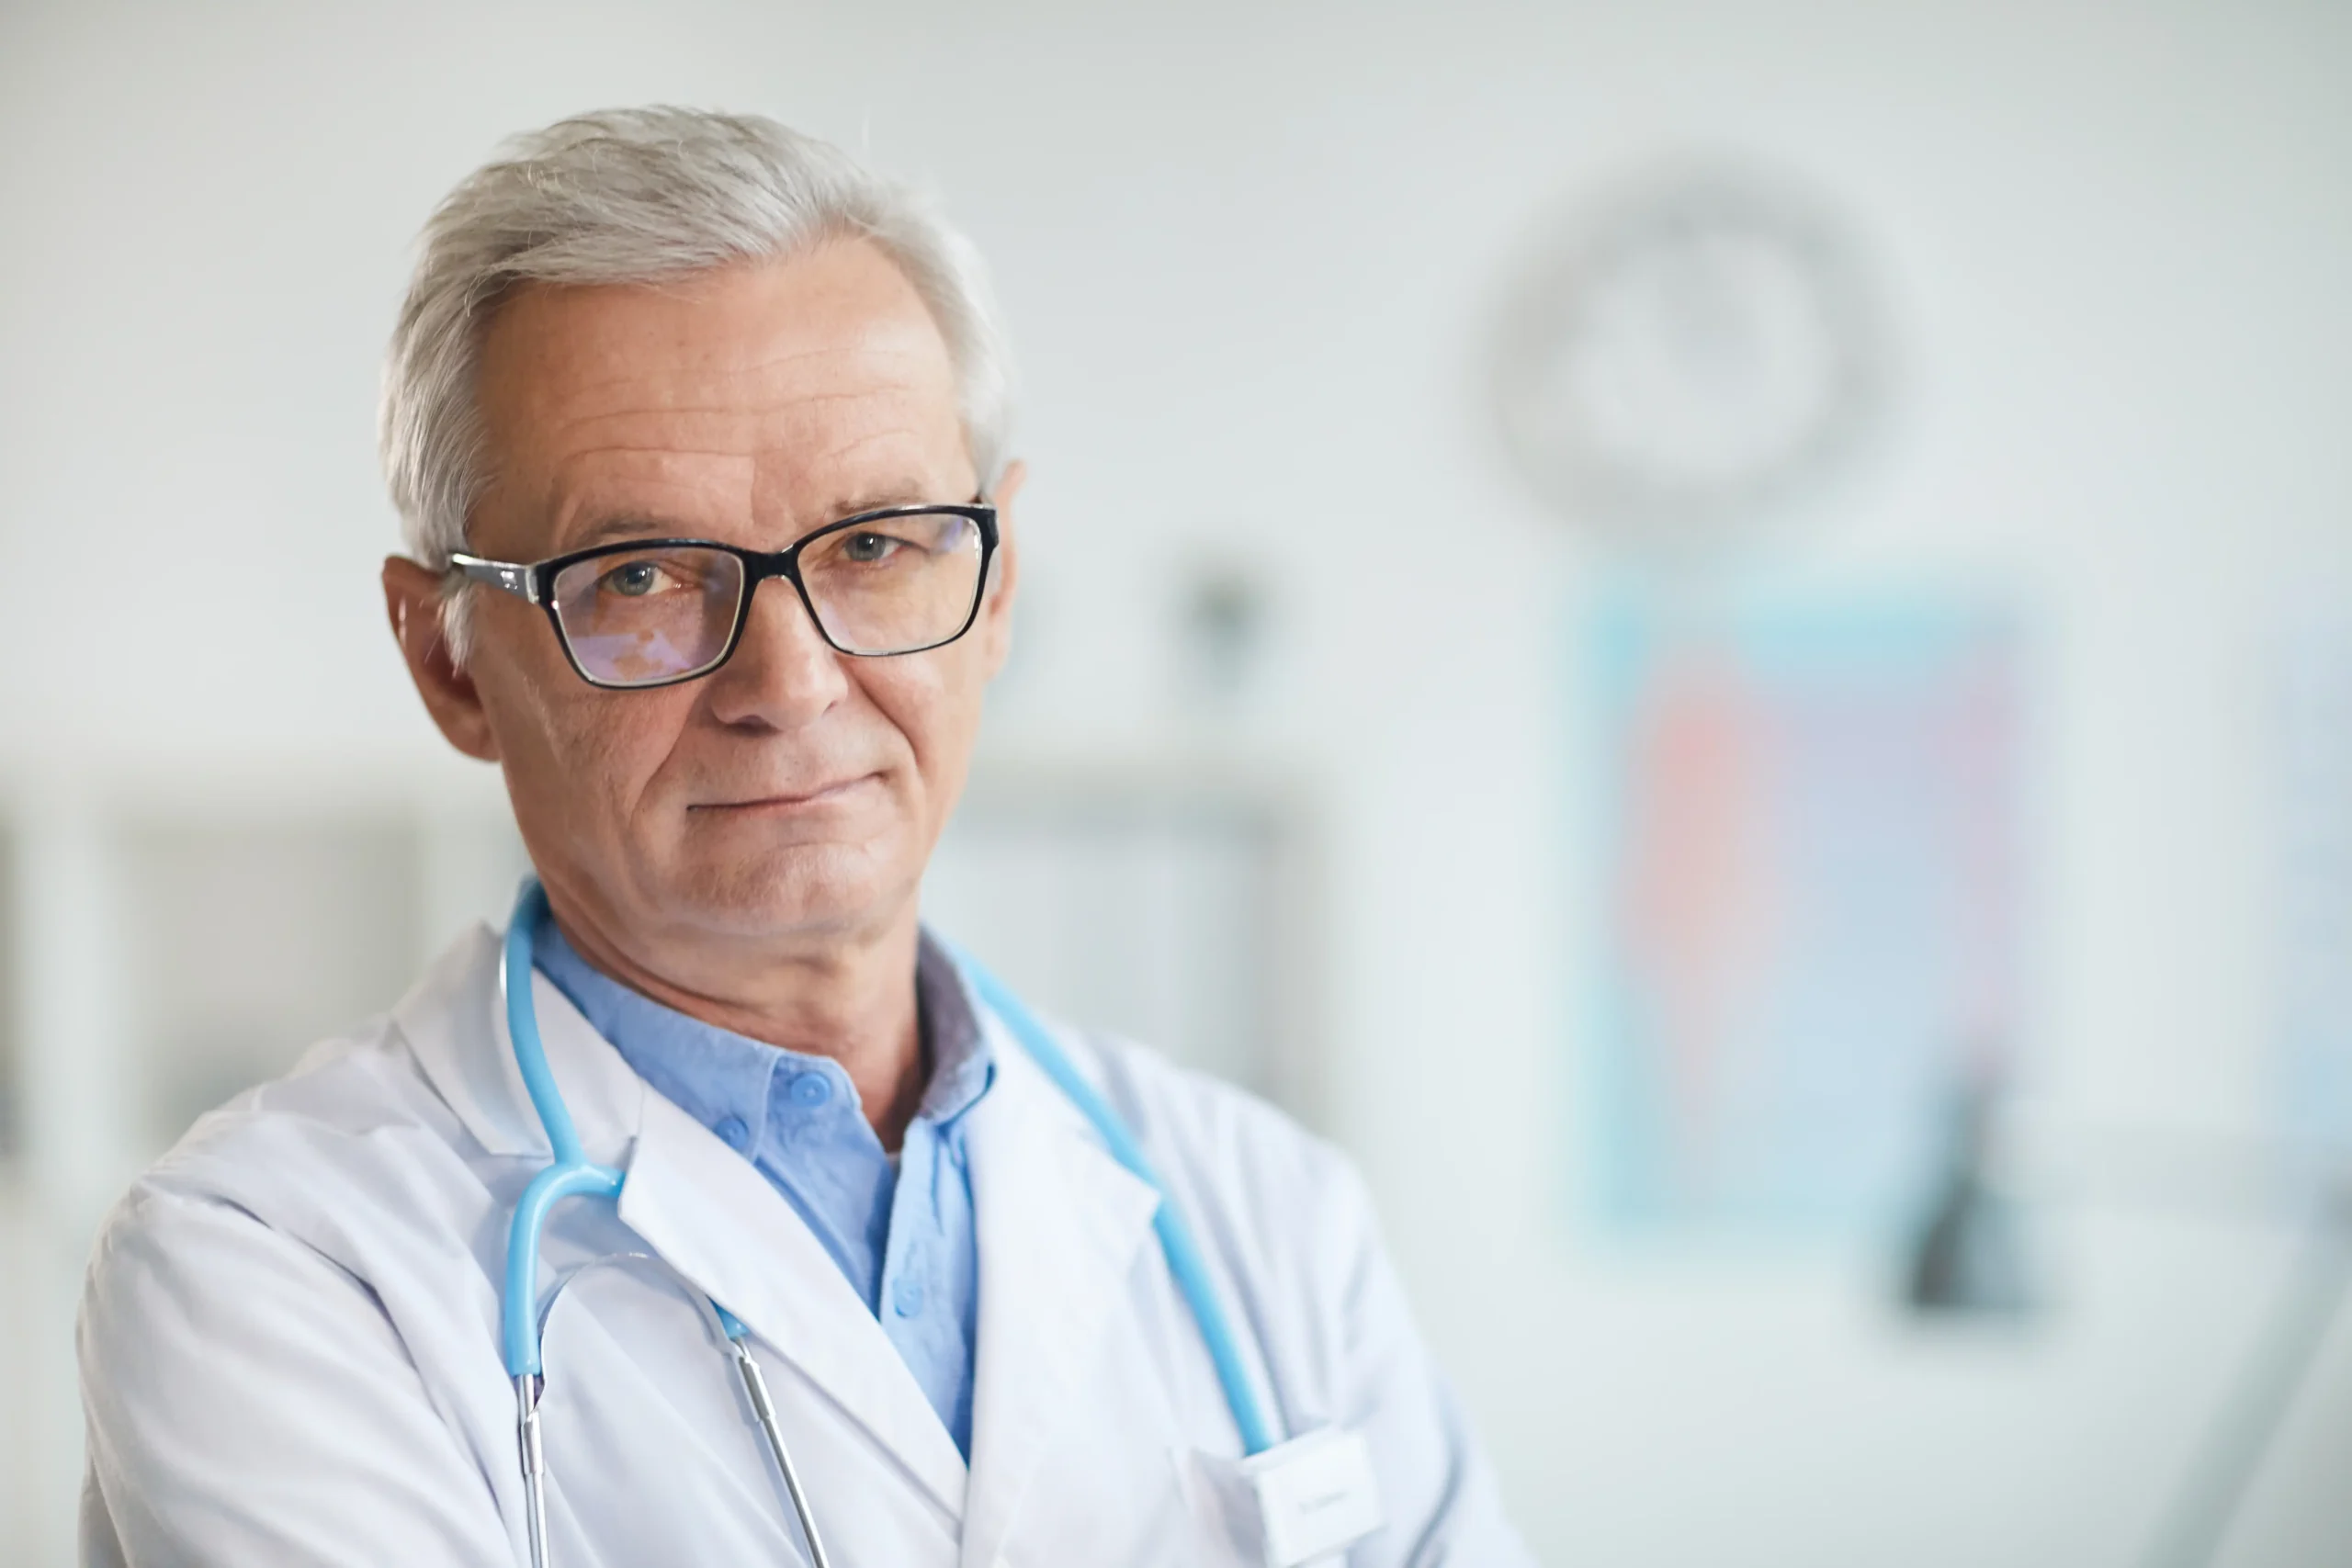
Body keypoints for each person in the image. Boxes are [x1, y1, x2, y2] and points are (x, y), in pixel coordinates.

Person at [74, 107, 1531, 1567]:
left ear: (1000, 582)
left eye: (877, 545)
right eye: (640, 571)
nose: (789, 682)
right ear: (449, 660)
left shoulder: (1266, 1211)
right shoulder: (272, 1265)